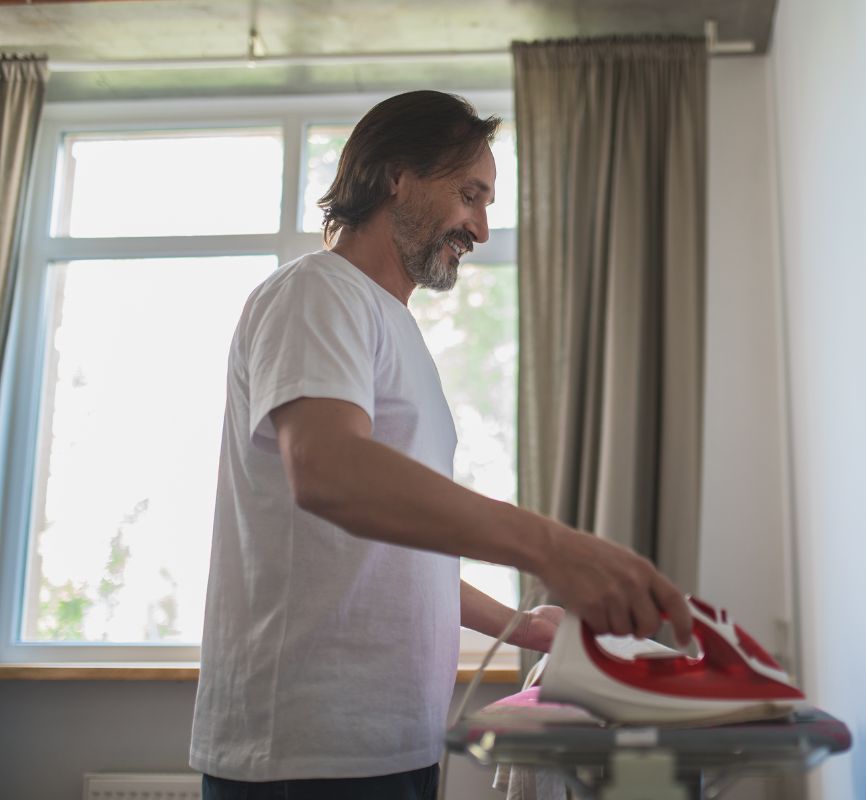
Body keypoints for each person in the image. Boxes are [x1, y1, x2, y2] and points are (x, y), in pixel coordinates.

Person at [189, 90, 692, 800]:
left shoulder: (395, 328)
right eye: (469, 194)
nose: (482, 228)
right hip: (305, 750)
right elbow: (329, 472)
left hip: (390, 740)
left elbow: (388, 548)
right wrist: (554, 549)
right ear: (397, 175)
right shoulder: (317, 292)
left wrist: (522, 624)